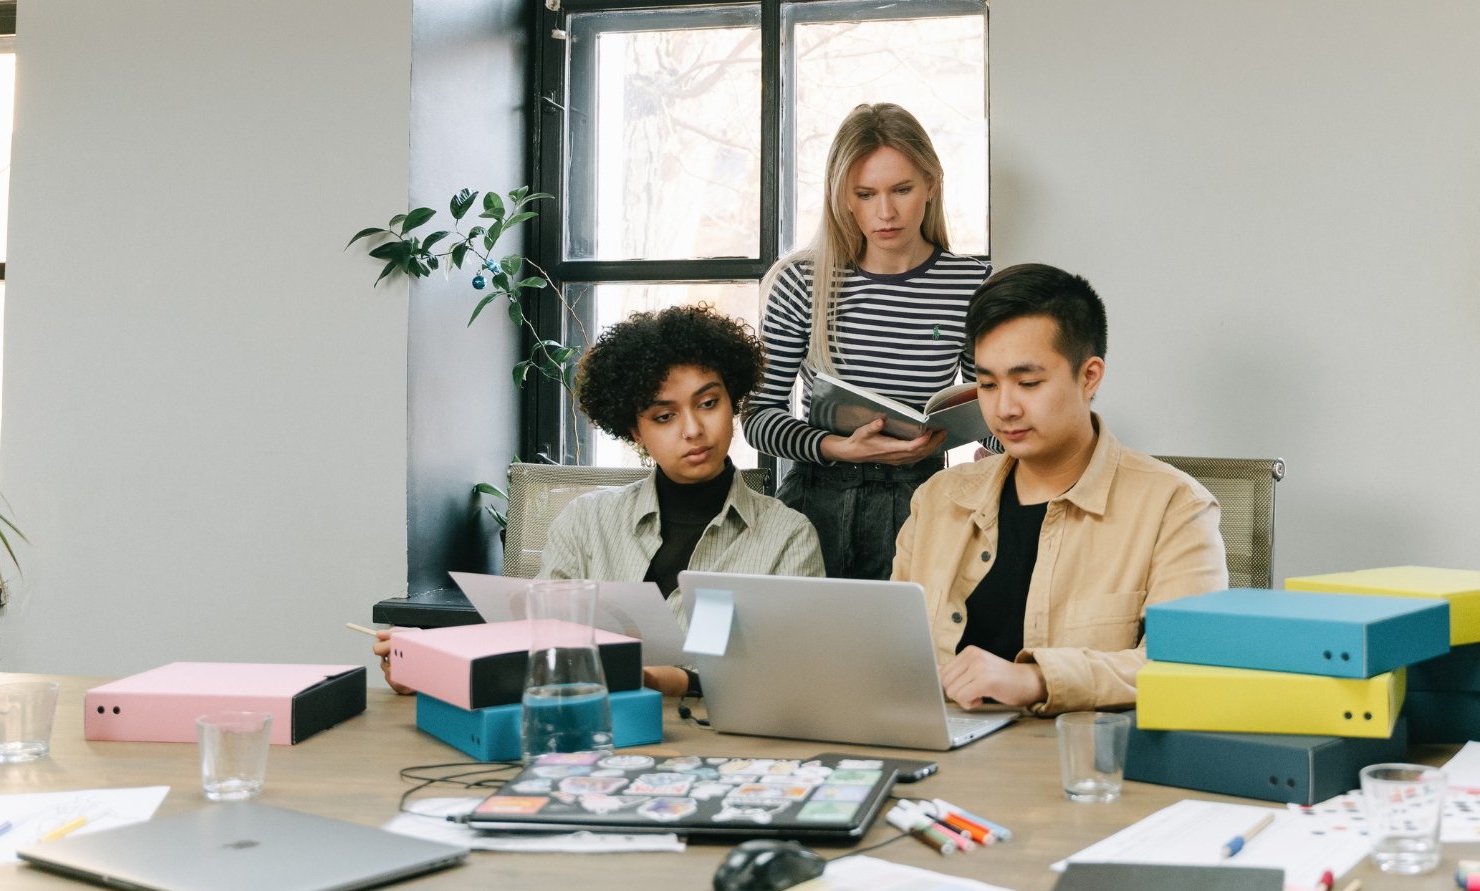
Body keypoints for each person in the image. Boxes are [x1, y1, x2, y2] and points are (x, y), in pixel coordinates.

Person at [375, 303, 822, 698]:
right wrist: (426, 669)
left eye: (708, 403)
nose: (692, 430)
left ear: (733, 402)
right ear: (635, 431)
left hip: (721, 748)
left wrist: (670, 680)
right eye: (663, 416)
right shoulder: (587, 521)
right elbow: (536, 648)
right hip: (585, 736)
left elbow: (794, 676)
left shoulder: (788, 536)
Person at [891, 262, 1227, 715]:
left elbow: (1190, 664)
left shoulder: (1174, 507)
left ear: (1089, 376)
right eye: (988, 385)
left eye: (1028, 383)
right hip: (935, 758)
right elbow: (890, 650)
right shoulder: (938, 500)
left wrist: (1036, 678)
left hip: (1078, 768)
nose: (1004, 408)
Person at [742, 102, 990, 579]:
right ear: (844, 198)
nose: (886, 212)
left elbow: (992, 409)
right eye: (865, 193)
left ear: (932, 185)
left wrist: (1012, 448)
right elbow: (758, 419)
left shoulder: (972, 284)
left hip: (921, 500)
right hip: (815, 501)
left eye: (902, 189)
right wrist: (838, 447)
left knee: (908, 651)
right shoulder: (802, 281)